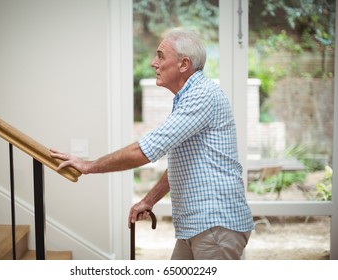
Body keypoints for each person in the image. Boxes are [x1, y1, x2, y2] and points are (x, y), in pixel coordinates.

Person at [50, 28, 254, 260]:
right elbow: (186, 163)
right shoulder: (188, 97)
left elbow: (144, 151)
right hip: (200, 226)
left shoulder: (202, 95)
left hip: (215, 224)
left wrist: (89, 166)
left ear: (183, 64)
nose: (153, 63)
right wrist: (148, 200)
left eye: (160, 56)